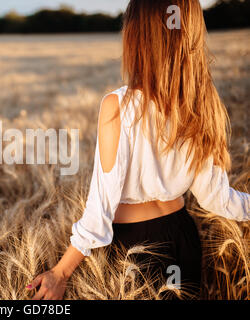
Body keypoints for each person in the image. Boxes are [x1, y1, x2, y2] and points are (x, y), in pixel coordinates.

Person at [26, 0, 249, 300]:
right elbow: (217, 199)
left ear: (137, 37)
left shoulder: (117, 106)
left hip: (135, 250)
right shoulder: (200, 106)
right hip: (182, 238)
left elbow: (99, 208)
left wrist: (61, 272)